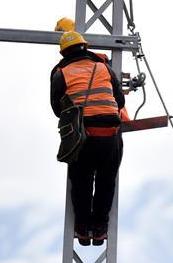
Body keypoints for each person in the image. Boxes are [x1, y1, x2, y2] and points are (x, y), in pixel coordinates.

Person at [50, 28, 126, 246]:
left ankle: (83, 229)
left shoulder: (60, 74)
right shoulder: (104, 68)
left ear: (64, 54)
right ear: (86, 47)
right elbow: (119, 101)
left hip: (82, 137)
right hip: (109, 136)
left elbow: (57, 109)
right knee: (106, 180)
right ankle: (100, 229)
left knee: (81, 182)